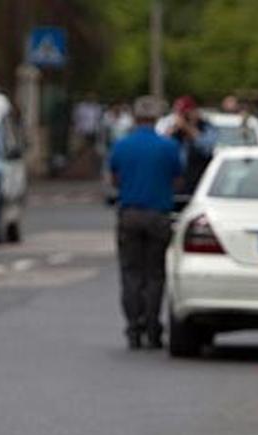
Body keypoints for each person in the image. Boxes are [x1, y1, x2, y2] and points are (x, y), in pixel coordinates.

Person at [108, 95, 183, 349]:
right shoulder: (168, 146)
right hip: (158, 215)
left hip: (129, 214)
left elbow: (115, 178)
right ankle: (152, 327)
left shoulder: (122, 145)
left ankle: (133, 327)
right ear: (155, 118)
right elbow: (177, 179)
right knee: (155, 274)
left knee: (131, 273)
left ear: (135, 117)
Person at [163, 95, 217, 197]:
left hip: (199, 182)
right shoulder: (175, 131)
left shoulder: (206, 127)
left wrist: (187, 127)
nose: (184, 117)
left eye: (186, 114)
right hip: (177, 184)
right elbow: (163, 149)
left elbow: (206, 147)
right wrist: (172, 131)